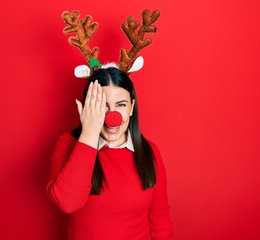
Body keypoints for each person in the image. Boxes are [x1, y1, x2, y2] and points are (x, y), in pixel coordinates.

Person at [46, 66, 173, 240]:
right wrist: (89, 131)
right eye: (102, 106)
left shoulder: (149, 152)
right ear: (89, 107)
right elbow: (67, 203)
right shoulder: (68, 144)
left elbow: (160, 221)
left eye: (120, 105)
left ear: (131, 108)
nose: (111, 116)